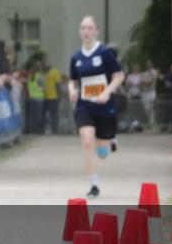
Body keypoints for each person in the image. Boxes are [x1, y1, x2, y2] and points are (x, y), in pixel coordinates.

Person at [68, 15, 125, 198]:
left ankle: (110, 140)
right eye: (83, 28)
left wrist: (106, 92)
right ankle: (94, 184)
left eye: (90, 28)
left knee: (102, 153)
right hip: (85, 106)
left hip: (104, 106)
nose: (86, 31)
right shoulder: (76, 57)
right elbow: (72, 80)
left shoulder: (104, 53)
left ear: (96, 31)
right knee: (86, 141)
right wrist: (72, 91)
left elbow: (119, 76)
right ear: (79, 32)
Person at [42, 58, 61, 135]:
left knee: (54, 114)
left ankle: (55, 129)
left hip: (54, 96)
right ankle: (47, 129)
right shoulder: (45, 73)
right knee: (45, 114)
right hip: (46, 96)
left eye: (45, 65)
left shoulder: (55, 72)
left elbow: (57, 84)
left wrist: (59, 95)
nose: (44, 66)